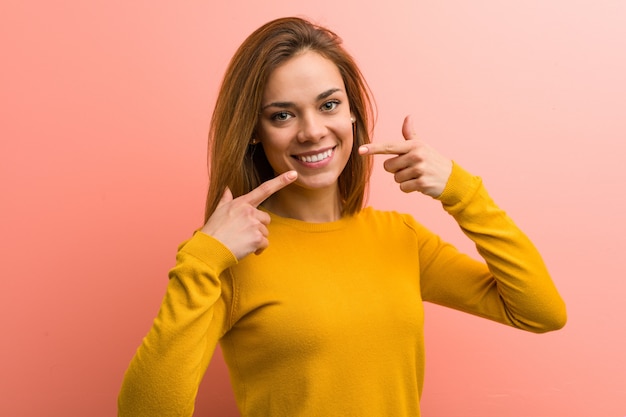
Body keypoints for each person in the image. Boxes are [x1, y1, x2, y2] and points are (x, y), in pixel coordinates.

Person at [118, 16, 566, 417]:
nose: (312, 130)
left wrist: (460, 190)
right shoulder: (225, 256)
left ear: (352, 113)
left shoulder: (399, 238)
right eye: (282, 115)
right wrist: (202, 260)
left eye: (328, 104)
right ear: (255, 132)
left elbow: (540, 312)